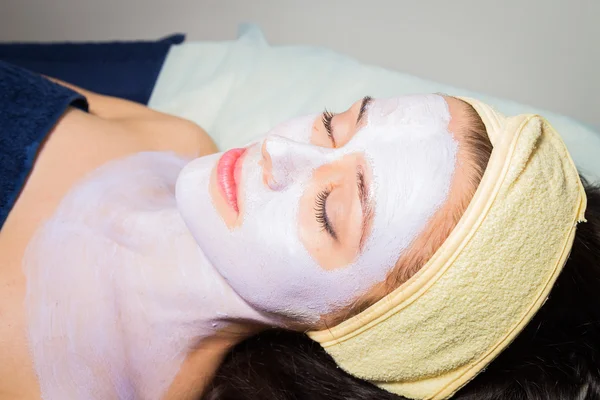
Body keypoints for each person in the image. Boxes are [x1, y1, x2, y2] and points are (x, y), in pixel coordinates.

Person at [0, 60, 596, 400]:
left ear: (354, 330)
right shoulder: (175, 139)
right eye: (336, 124)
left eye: (327, 210)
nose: (280, 149)